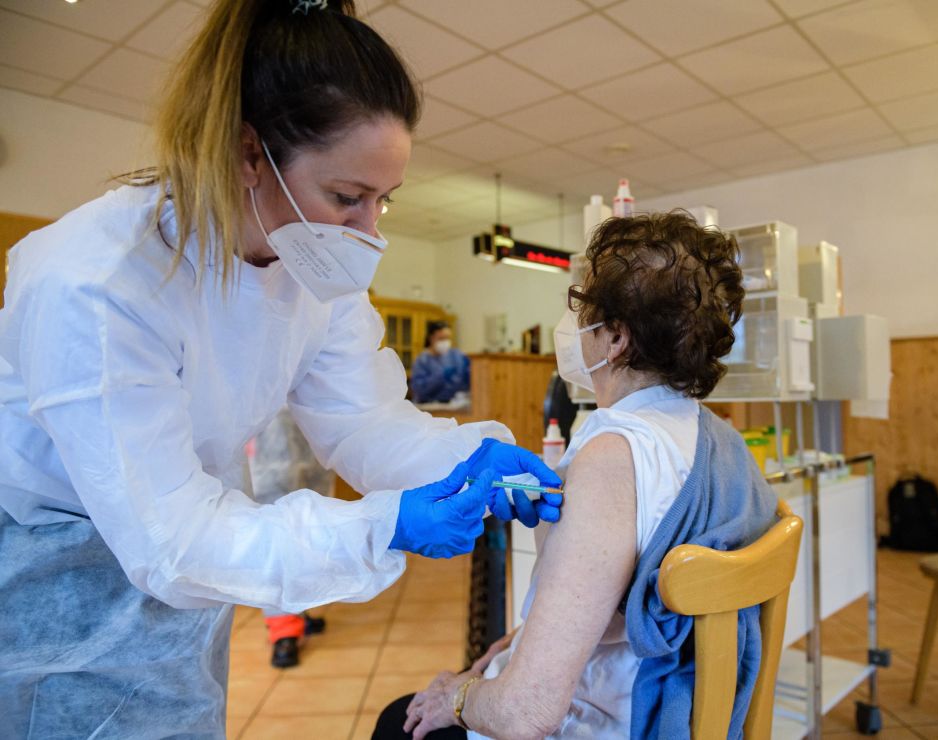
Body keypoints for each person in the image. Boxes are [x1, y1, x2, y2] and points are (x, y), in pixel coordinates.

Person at [0, 2, 562, 737]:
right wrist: (382, 525)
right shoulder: (97, 285)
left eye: (383, 203)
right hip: (60, 579)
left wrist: (466, 457)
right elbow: (171, 541)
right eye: (347, 197)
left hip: (183, 564)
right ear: (248, 153)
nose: (368, 234)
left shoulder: (309, 263)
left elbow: (362, 422)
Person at [374, 212, 779, 739]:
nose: (573, 323)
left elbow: (526, 714)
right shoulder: (719, 438)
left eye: (582, 302)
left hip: (613, 719)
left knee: (398, 723)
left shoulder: (612, 455)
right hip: (700, 710)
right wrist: (524, 642)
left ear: (613, 337)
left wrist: (459, 694)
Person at [247, 408, 335, 669]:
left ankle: (296, 609)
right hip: (267, 434)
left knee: (308, 527)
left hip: (307, 425)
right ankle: (282, 629)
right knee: (275, 535)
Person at [411, 321, 470, 403]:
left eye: (448, 338)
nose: (445, 341)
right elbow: (420, 390)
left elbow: (465, 383)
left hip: (454, 404)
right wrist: (440, 377)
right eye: (441, 338)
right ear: (431, 338)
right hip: (430, 406)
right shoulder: (422, 361)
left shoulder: (456, 355)